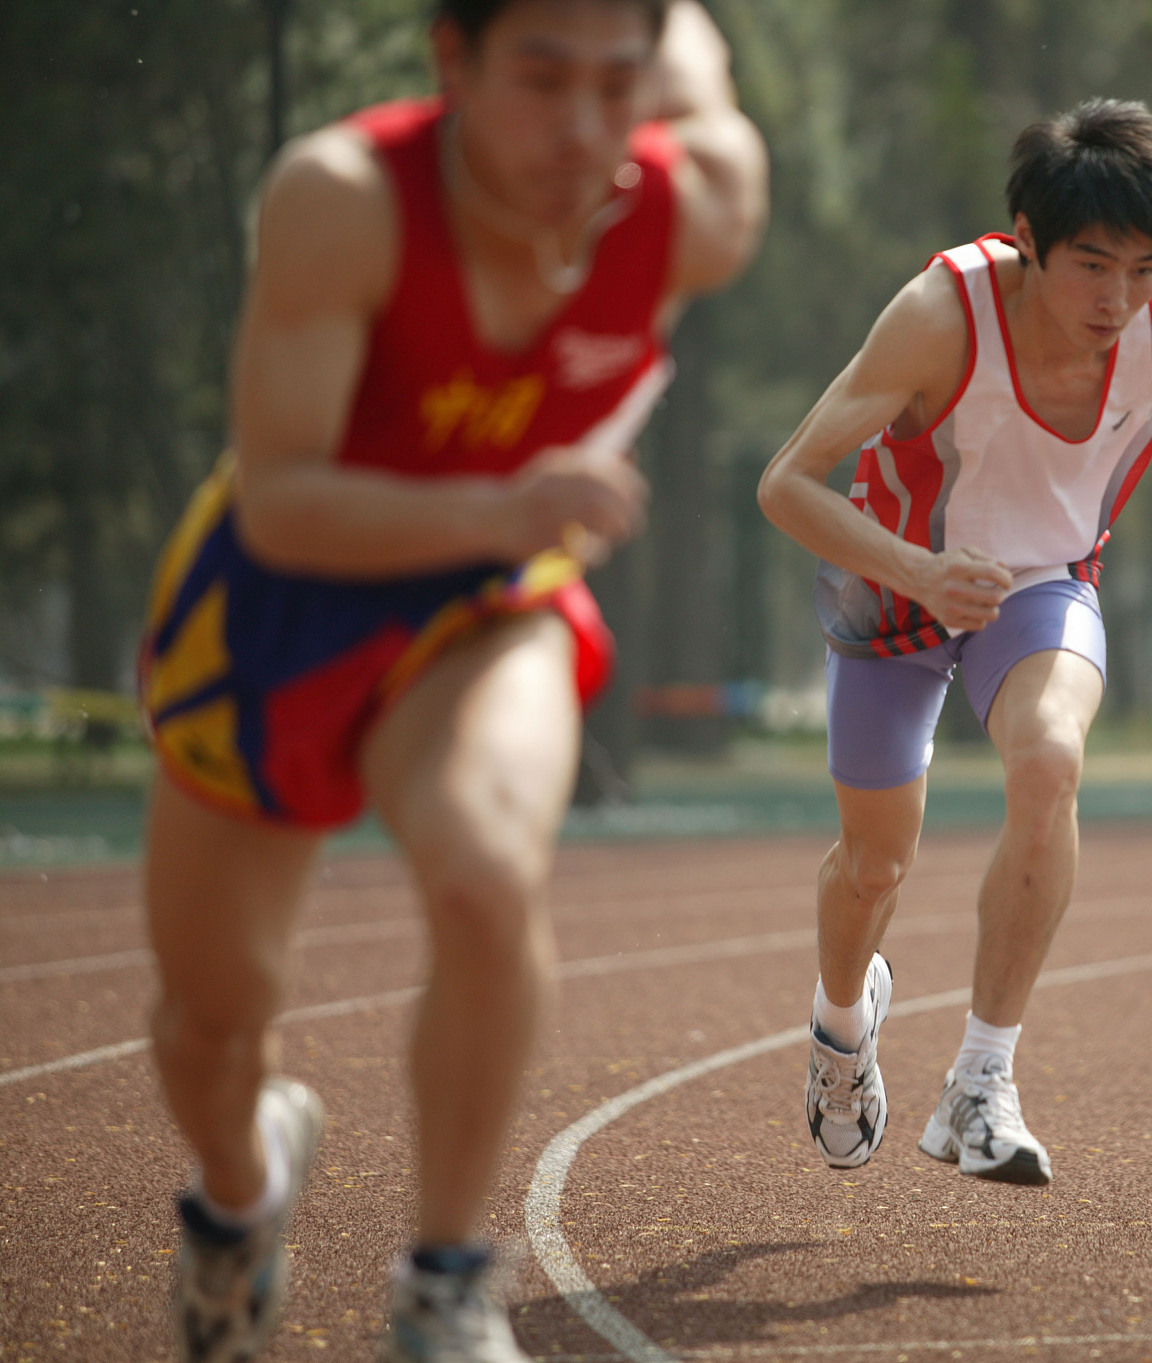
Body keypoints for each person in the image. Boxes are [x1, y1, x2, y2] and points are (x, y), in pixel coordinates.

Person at [137, 2, 765, 1358]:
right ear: (450, 62)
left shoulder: (692, 207)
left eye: (617, 84)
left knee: (488, 870)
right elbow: (286, 505)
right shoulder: (342, 197)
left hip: (486, 604)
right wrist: (508, 501)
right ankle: (242, 1195)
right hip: (281, 604)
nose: (585, 130)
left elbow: (700, 86)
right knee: (209, 1020)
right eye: (540, 81)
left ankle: (444, 1282)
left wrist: (509, 528)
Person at [756, 100, 1152, 1185]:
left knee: (1050, 759)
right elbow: (783, 482)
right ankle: (840, 1029)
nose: (1117, 301)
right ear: (1025, 234)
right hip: (894, 584)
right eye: (1091, 265)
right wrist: (916, 570)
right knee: (874, 864)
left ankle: (980, 1079)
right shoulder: (937, 315)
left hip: (1042, 584)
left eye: (1143, 267)